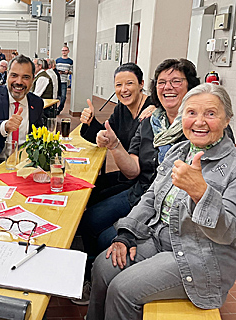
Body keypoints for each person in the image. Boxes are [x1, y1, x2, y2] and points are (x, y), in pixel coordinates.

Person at [87, 83, 236, 320]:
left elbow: (229, 232)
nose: (199, 122)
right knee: (103, 269)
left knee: (122, 290)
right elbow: (150, 197)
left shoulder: (233, 167)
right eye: (191, 113)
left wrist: (201, 193)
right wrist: (126, 234)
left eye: (210, 113)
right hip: (157, 238)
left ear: (227, 119)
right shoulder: (179, 150)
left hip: (199, 255)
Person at [75, 58, 201, 305]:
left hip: (170, 211)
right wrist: (111, 143)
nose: (168, 87)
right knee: (89, 215)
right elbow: (134, 171)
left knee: (104, 236)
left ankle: (105, 277)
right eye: (163, 83)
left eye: (176, 82)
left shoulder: (196, 127)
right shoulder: (150, 123)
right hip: (142, 190)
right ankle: (92, 277)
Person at [79, 63, 153, 207]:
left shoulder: (152, 109)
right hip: (125, 175)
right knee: (86, 190)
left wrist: (158, 107)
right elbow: (107, 133)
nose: (123, 89)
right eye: (118, 85)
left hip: (143, 183)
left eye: (129, 83)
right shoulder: (121, 109)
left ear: (141, 84)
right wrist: (90, 122)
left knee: (94, 201)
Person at [0, 54, 44, 175]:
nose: (19, 82)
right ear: (7, 75)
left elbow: (39, 132)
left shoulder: (37, 102)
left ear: (33, 79)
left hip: (26, 164)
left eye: (26, 77)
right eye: (14, 75)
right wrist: (5, 126)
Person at [55, 45, 73, 114]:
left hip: (64, 81)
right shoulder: (57, 60)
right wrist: (58, 72)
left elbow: (71, 71)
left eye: (65, 50)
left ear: (68, 51)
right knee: (56, 96)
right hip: (57, 81)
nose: (64, 52)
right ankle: (54, 109)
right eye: (63, 50)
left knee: (63, 97)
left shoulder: (70, 61)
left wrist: (67, 72)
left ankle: (59, 109)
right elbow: (54, 70)